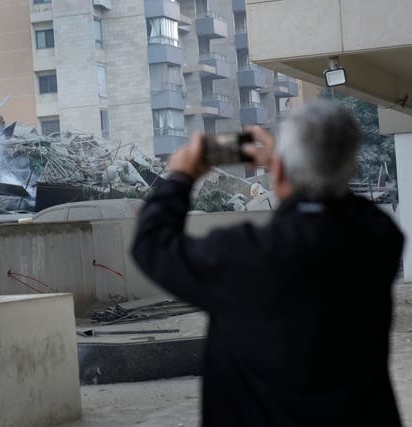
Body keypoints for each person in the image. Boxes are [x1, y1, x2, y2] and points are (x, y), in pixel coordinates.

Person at [131, 101, 403, 427]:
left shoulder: (243, 256)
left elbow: (151, 244)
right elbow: (347, 204)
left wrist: (179, 177)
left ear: (279, 170)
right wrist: (302, 165)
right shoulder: (377, 241)